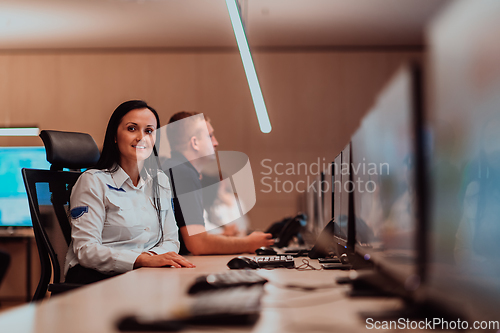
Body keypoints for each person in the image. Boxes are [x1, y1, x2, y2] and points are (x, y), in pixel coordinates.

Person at [65, 100, 194, 285]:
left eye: (149, 131)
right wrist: (141, 260)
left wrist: (150, 258)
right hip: (97, 278)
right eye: (132, 129)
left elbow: (172, 241)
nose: (141, 137)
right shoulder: (93, 181)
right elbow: (86, 251)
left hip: (142, 275)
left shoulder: (160, 181)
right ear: (115, 136)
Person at [161, 111, 273, 255]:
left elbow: (191, 239)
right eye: (210, 136)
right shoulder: (184, 174)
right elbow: (198, 244)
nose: (216, 142)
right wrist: (249, 243)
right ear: (195, 142)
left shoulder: (176, 168)